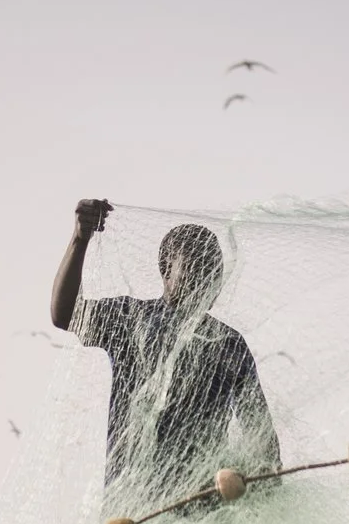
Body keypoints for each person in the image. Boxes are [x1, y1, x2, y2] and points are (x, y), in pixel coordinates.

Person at [50, 198, 280, 502]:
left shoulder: (229, 343)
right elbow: (66, 314)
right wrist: (80, 240)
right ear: (165, 269)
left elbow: (262, 440)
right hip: (134, 508)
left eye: (213, 270)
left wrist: (257, 477)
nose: (205, 279)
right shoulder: (129, 319)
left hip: (204, 512)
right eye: (194, 268)